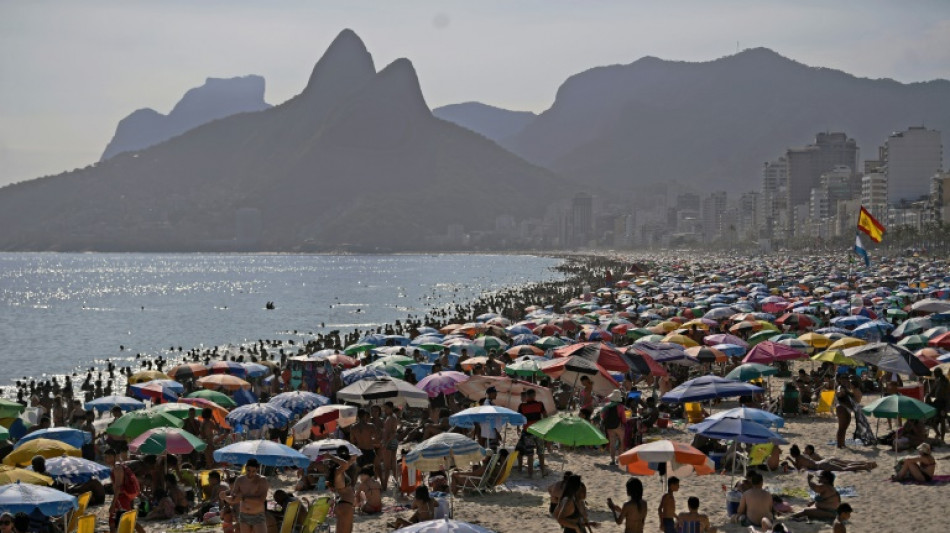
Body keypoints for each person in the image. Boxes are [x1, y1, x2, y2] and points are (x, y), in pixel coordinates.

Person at [103, 449, 146, 533]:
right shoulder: (118, 467)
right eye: (104, 457)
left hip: (121, 498)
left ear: (113, 457)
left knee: (125, 521)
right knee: (116, 522)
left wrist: (113, 503)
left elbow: (118, 487)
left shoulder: (117, 468)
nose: (105, 459)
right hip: (122, 498)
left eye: (107, 457)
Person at [221, 458, 269, 533]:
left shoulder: (262, 480)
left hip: (257, 515)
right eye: (248, 470)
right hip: (244, 516)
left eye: (253, 471)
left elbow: (261, 500)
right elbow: (233, 498)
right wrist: (225, 497)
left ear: (257, 470)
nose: (250, 474)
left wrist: (244, 498)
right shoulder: (240, 479)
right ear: (245, 468)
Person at [517, 388, 548, 477]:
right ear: (534, 396)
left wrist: (518, 428)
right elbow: (545, 416)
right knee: (541, 453)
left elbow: (519, 419)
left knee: (530, 454)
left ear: (527, 396)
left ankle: (530, 474)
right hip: (538, 432)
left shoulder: (522, 406)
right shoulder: (540, 404)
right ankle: (543, 472)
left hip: (528, 432)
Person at [783, 444, 876, 472]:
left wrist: (790, 460)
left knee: (844, 468)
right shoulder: (802, 456)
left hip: (822, 465)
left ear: (793, 454)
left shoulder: (798, 459)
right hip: (824, 461)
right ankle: (865, 464)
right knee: (845, 464)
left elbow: (798, 468)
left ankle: (864, 466)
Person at [328, 447, 357, 533]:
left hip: (346, 505)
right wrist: (330, 456)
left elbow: (354, 457)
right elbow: (345, 464)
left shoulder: (342, 473)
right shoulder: (338, 472)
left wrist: (343, 455)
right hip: (345, 505)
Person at [599, 389, 626, 466]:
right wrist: (624, 424)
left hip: (609, 427)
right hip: (618, 426)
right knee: (621, 442)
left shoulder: (607, 406)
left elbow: (603, 416)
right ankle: (620, 459)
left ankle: (612, 460)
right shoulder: (620, 406)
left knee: (612, 444)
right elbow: (623, 419)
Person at [379, 402, 400, 491]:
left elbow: (393, 432)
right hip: (391, 441)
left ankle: (384, 485)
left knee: (387, 465)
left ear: (391, 408)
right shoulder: (391, 417)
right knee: (393, 463)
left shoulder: (392, 417)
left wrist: (386, 443)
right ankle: (396, 482)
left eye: (386, 408)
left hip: (389, 441)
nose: (385, 410)